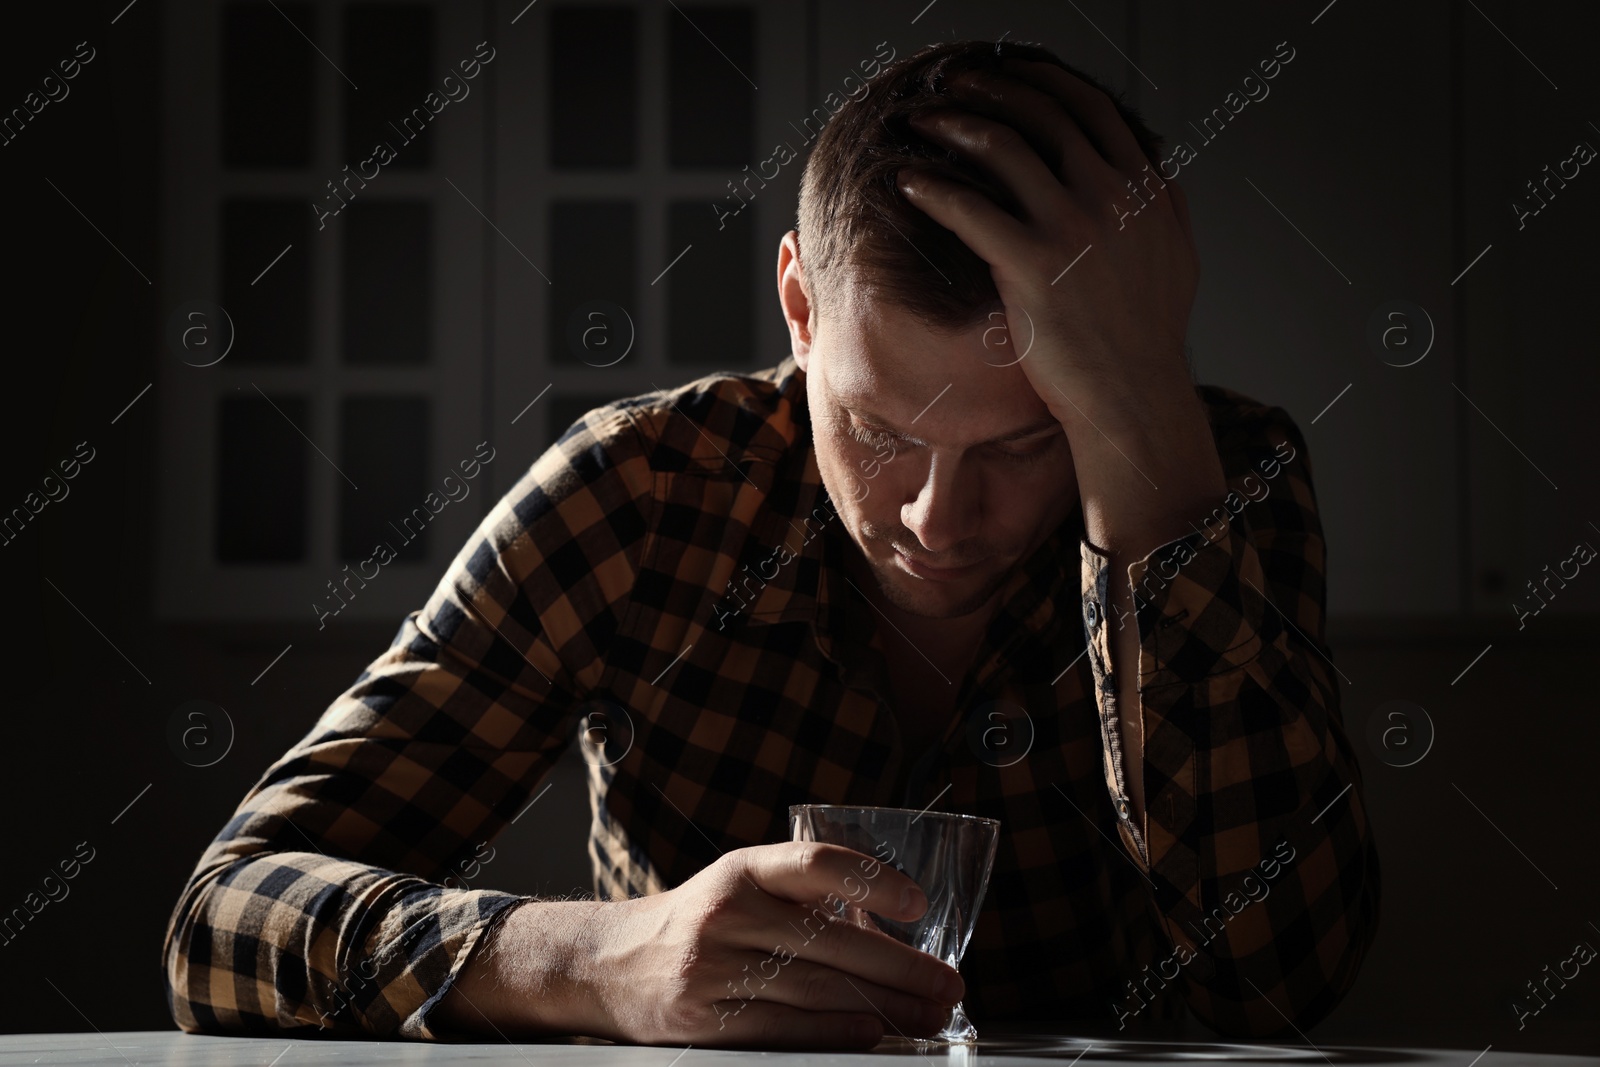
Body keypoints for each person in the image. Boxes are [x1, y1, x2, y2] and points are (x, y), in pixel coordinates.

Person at [163, 38, 1378, 1049]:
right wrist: (596, 958)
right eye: (879, 429)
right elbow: (221, 918)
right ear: (797, 307)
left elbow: (1277, 985)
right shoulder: (644, 491)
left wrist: (1144, 430)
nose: (935, 520)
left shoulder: (1212, 472)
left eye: (1027, 444)